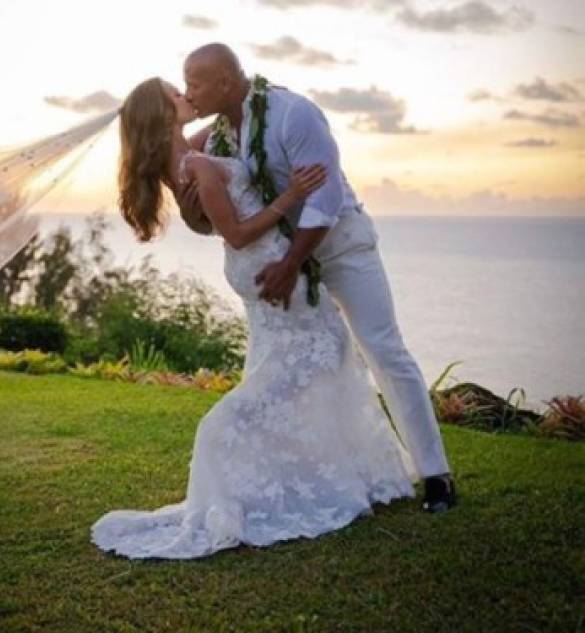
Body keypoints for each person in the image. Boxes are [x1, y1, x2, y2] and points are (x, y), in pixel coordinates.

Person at [90, 76, 420, 560]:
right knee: (314, 361)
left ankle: (329, 472)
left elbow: (232, 127)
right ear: (163, 116)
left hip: (259, 267)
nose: (186, 95)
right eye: (175, 94)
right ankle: (318, 479)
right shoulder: (196, 162)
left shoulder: (188, 149)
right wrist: (290, 199)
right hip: (263, 261)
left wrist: (249, 96)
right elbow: (239, 233)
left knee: (317, 359)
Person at [177, 43, 457, 514]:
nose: (189, 92)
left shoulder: (293, 113)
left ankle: (435, 474)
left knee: (383, 349)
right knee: (290, 363)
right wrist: (192, 208)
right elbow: (191, 177)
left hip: (342, 248)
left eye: (195, 83)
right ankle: (309, 474)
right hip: (284, 259)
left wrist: (291, 266)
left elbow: (324, 200)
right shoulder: (218, 136)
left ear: (225, 81)